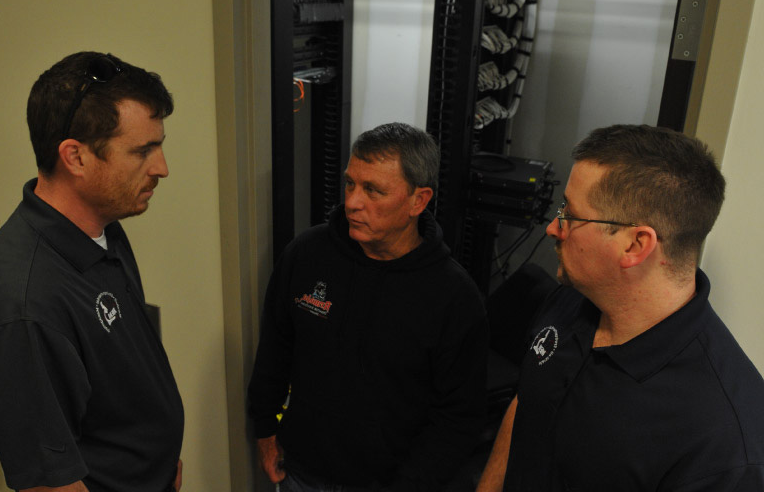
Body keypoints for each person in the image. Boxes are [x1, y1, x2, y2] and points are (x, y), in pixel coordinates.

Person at [476, 124, 764, 492]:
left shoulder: (724, 444)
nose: (553, 227)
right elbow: (527, 405)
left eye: (571, 215)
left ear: (634, 245)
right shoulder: (573, 297)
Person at [0, 52, 184, 492]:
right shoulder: (21, 304)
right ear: (75, 157)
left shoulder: (103, 226)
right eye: (142, 151)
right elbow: (49, 483)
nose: (162, 168)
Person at [247, 122, 489, 491]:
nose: (352, 202)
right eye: (350, 184)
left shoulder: (453, 297)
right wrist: (264, 430)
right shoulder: (307, 255)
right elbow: (275, 350)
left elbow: (458, 417)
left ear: (418, 201)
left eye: (373, 190)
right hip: (301, 473)